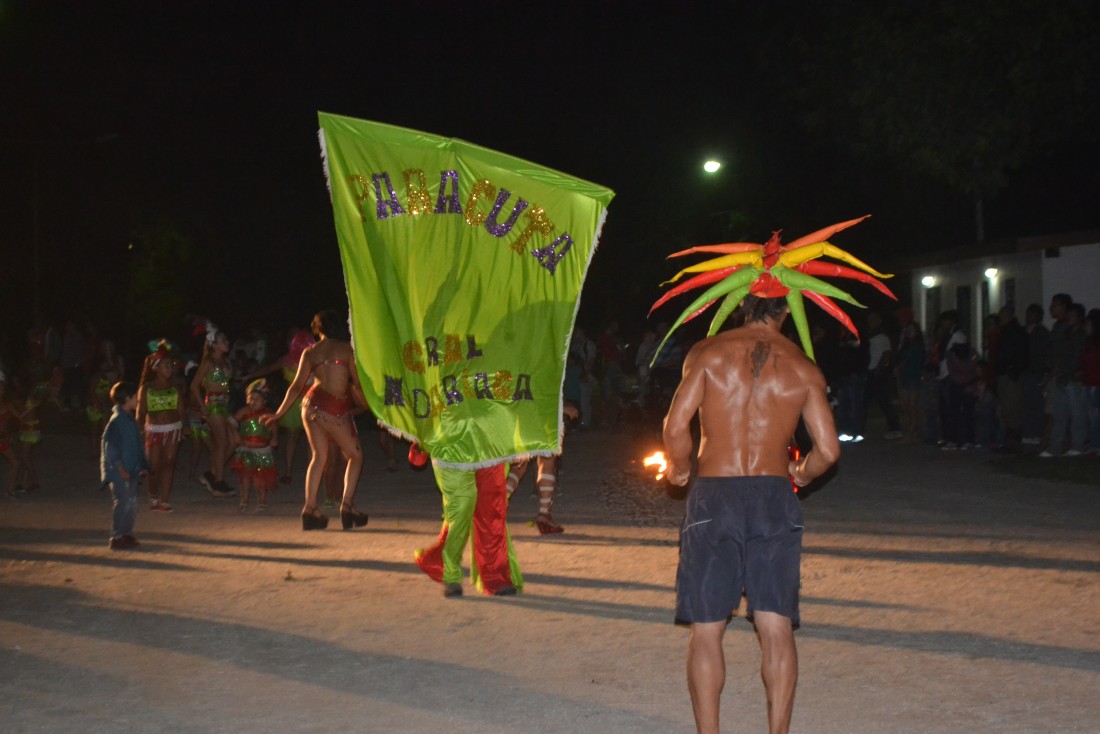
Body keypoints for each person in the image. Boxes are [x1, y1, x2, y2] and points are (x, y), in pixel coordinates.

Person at [663, 295, 840, 734]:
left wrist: (681, 467)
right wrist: (800, 473)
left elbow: (674, 427)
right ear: (786, 312)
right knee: (776, 625)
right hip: (773, 496)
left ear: (743, 306)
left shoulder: (706, 354)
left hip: (715, 495)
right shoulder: (802, 367)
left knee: (706, 629)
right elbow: (830, 450)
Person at [262, 310, 368, 531]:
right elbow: (356, 385)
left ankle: (310, 510)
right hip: (334, 407)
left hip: (310, 405)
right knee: (355, 455)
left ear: (318, 329)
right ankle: (347, 507)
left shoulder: (310, 352)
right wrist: (368, 407)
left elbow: (296, 386)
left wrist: (278, 414)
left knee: (319, 457)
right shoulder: (346, 350)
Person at [245, 328, 314, 484]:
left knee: (292, 438)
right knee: (312, 440)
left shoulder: (288, 360)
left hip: (293, 401)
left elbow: (268, 369)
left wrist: (250, 375)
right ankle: (312, 472)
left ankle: (289, 471)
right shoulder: (312, 359)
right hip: (309, 399)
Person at [99, 381, 151, 550]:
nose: (138, 400)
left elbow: (135, 445)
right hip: (120, 472)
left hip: (130, 469)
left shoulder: (128, 420)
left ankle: (125, 534)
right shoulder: (117, 422)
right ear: (127, 399)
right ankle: (117, 536)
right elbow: (111, 448)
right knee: (123, 503)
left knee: (131, 503)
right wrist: (119, 468)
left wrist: (141, 464)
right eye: (135, 397)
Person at [189, 323, 236, 496]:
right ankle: (218, 481)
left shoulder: (225, 361)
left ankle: (211, 473)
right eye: (223, 340)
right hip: (213, 404)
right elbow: (194, 386)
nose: (227, 342)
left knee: (235, 441)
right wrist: (203, 408)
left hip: (224, 404)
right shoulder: (208, 362)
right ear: (213, 344)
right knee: (222, 443)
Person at [136, 341, 184, 512]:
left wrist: (182, 427)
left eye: (170, 365)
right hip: (153, 430)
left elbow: (180, 410)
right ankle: (153, 495)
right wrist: (140, 430)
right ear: (155, 367)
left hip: (172, 429)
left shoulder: (176, 387)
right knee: (154, 465)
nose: (169, 368)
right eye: (165, 365)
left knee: (169, 463)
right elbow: (140, 413)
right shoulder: (146, 388)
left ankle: (165, 500)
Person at [231, 379, 278, 512]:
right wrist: (235, 434)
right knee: (245, 477)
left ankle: (262, 501)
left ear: (264, 400)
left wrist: (274, 438)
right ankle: (244, 500)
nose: (253, 401)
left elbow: (274, 427)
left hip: (262, 450)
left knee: (261, 477)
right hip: (246, 450)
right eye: (251, 398)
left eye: (257, 399)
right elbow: (231, 421)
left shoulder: (267, 413)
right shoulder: (244, 411)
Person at [894, 321, 926, 443]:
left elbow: (909, 361)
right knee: (906, 407)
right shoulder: (906, 344)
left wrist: (899, 368)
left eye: (911, 329)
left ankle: (912, 433)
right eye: (908, 329)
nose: (909, 332)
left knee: (912, 407)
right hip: (905, 377)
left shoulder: (917, 345)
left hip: (913, 377)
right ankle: (910, 432)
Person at [0, 371, 21, 498]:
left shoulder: (8, 404)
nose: (0, 390)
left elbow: (20, 417)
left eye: (1, 387)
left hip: (3, 440)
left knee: (16, 463)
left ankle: (10, 489)